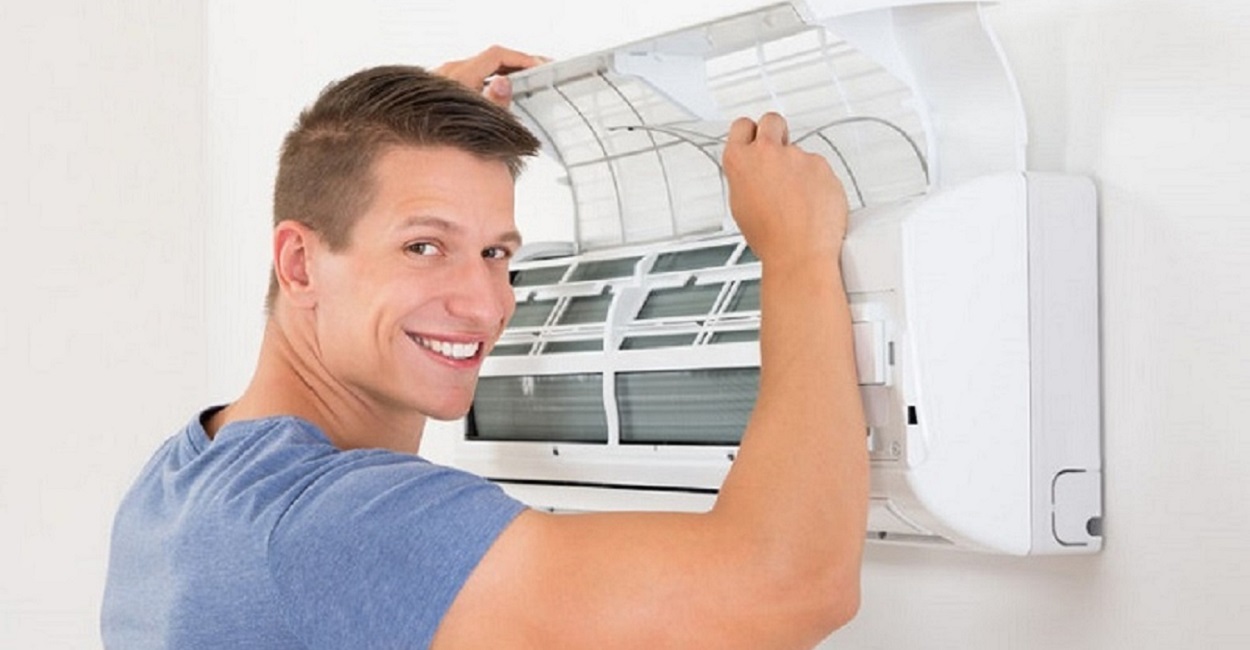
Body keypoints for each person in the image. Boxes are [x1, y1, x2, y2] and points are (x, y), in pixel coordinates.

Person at [101, 45, 868, 649]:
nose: (484, 304)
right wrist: (796, 249)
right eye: (425, 248)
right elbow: (789, 586)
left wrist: (408, 129)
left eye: (497, 253)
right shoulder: (335, 523)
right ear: (300, 263)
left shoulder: (180, 481)